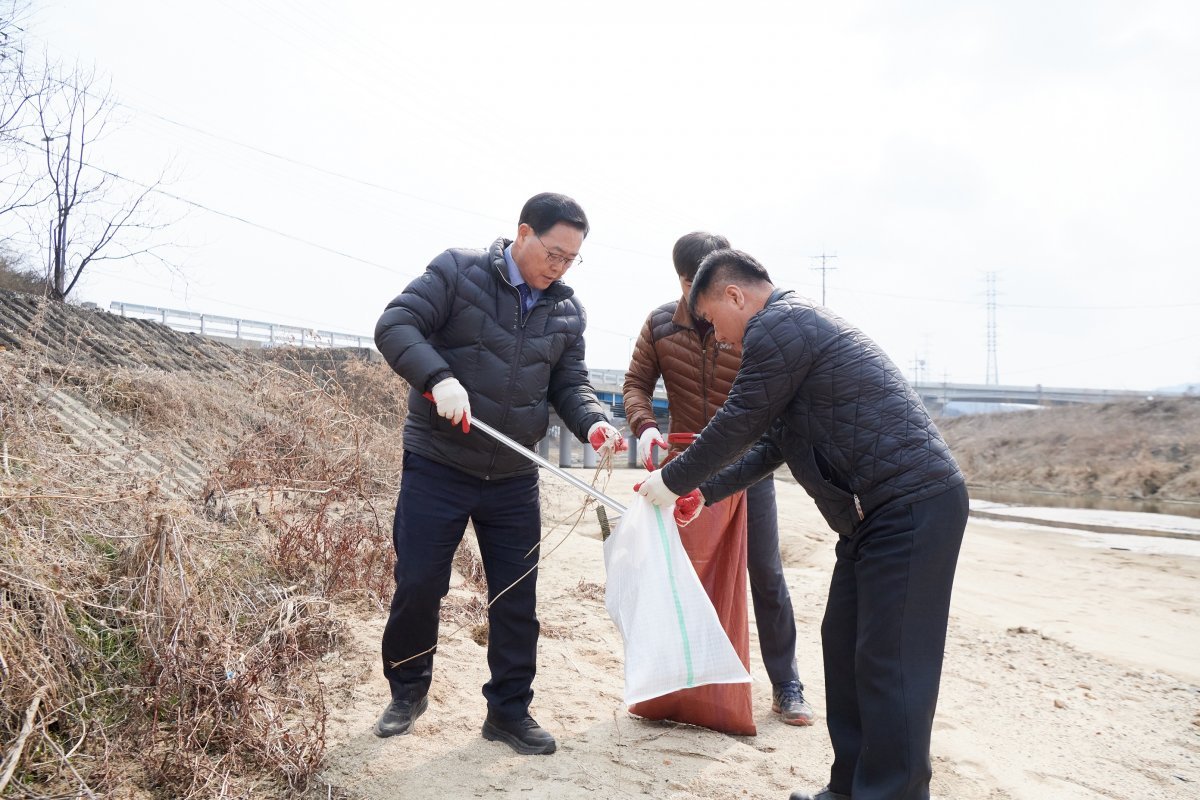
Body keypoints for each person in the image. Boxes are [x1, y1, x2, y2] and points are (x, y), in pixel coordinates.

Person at [636, 249, 968, 800]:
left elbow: (736, 423)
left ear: (735, 296)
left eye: (716, 323)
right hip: (870, 520)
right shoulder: (786, 339)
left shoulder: (782, 325)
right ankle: (849, 788)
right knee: (843, 647)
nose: (719, 339)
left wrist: (670, 483)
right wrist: (703, 491)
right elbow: (770, 445)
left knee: (892, 662)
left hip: (912, 506)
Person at [373, 192, 626, 756]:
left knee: (516, 596)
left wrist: (594, 424)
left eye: (571, 259)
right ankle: (407, 691)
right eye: (554, 253)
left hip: (513, 476)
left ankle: (509, 711)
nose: (559, 266)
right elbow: (395, 325)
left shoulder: (566, 311)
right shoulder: (457, 272)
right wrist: (437, 377)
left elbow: (570, 385)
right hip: (438, 464)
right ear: (523, 233)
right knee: (419, 583)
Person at [622, 231, 813, 727]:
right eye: (694, 281)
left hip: (748, 468)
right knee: (678, 573)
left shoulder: (752, 325)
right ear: (682, 279)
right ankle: (675, 683)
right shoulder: (660, 324)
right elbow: (635, 384)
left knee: (765, 572)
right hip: (682, 468)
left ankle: (786, 683)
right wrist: (645, 428)